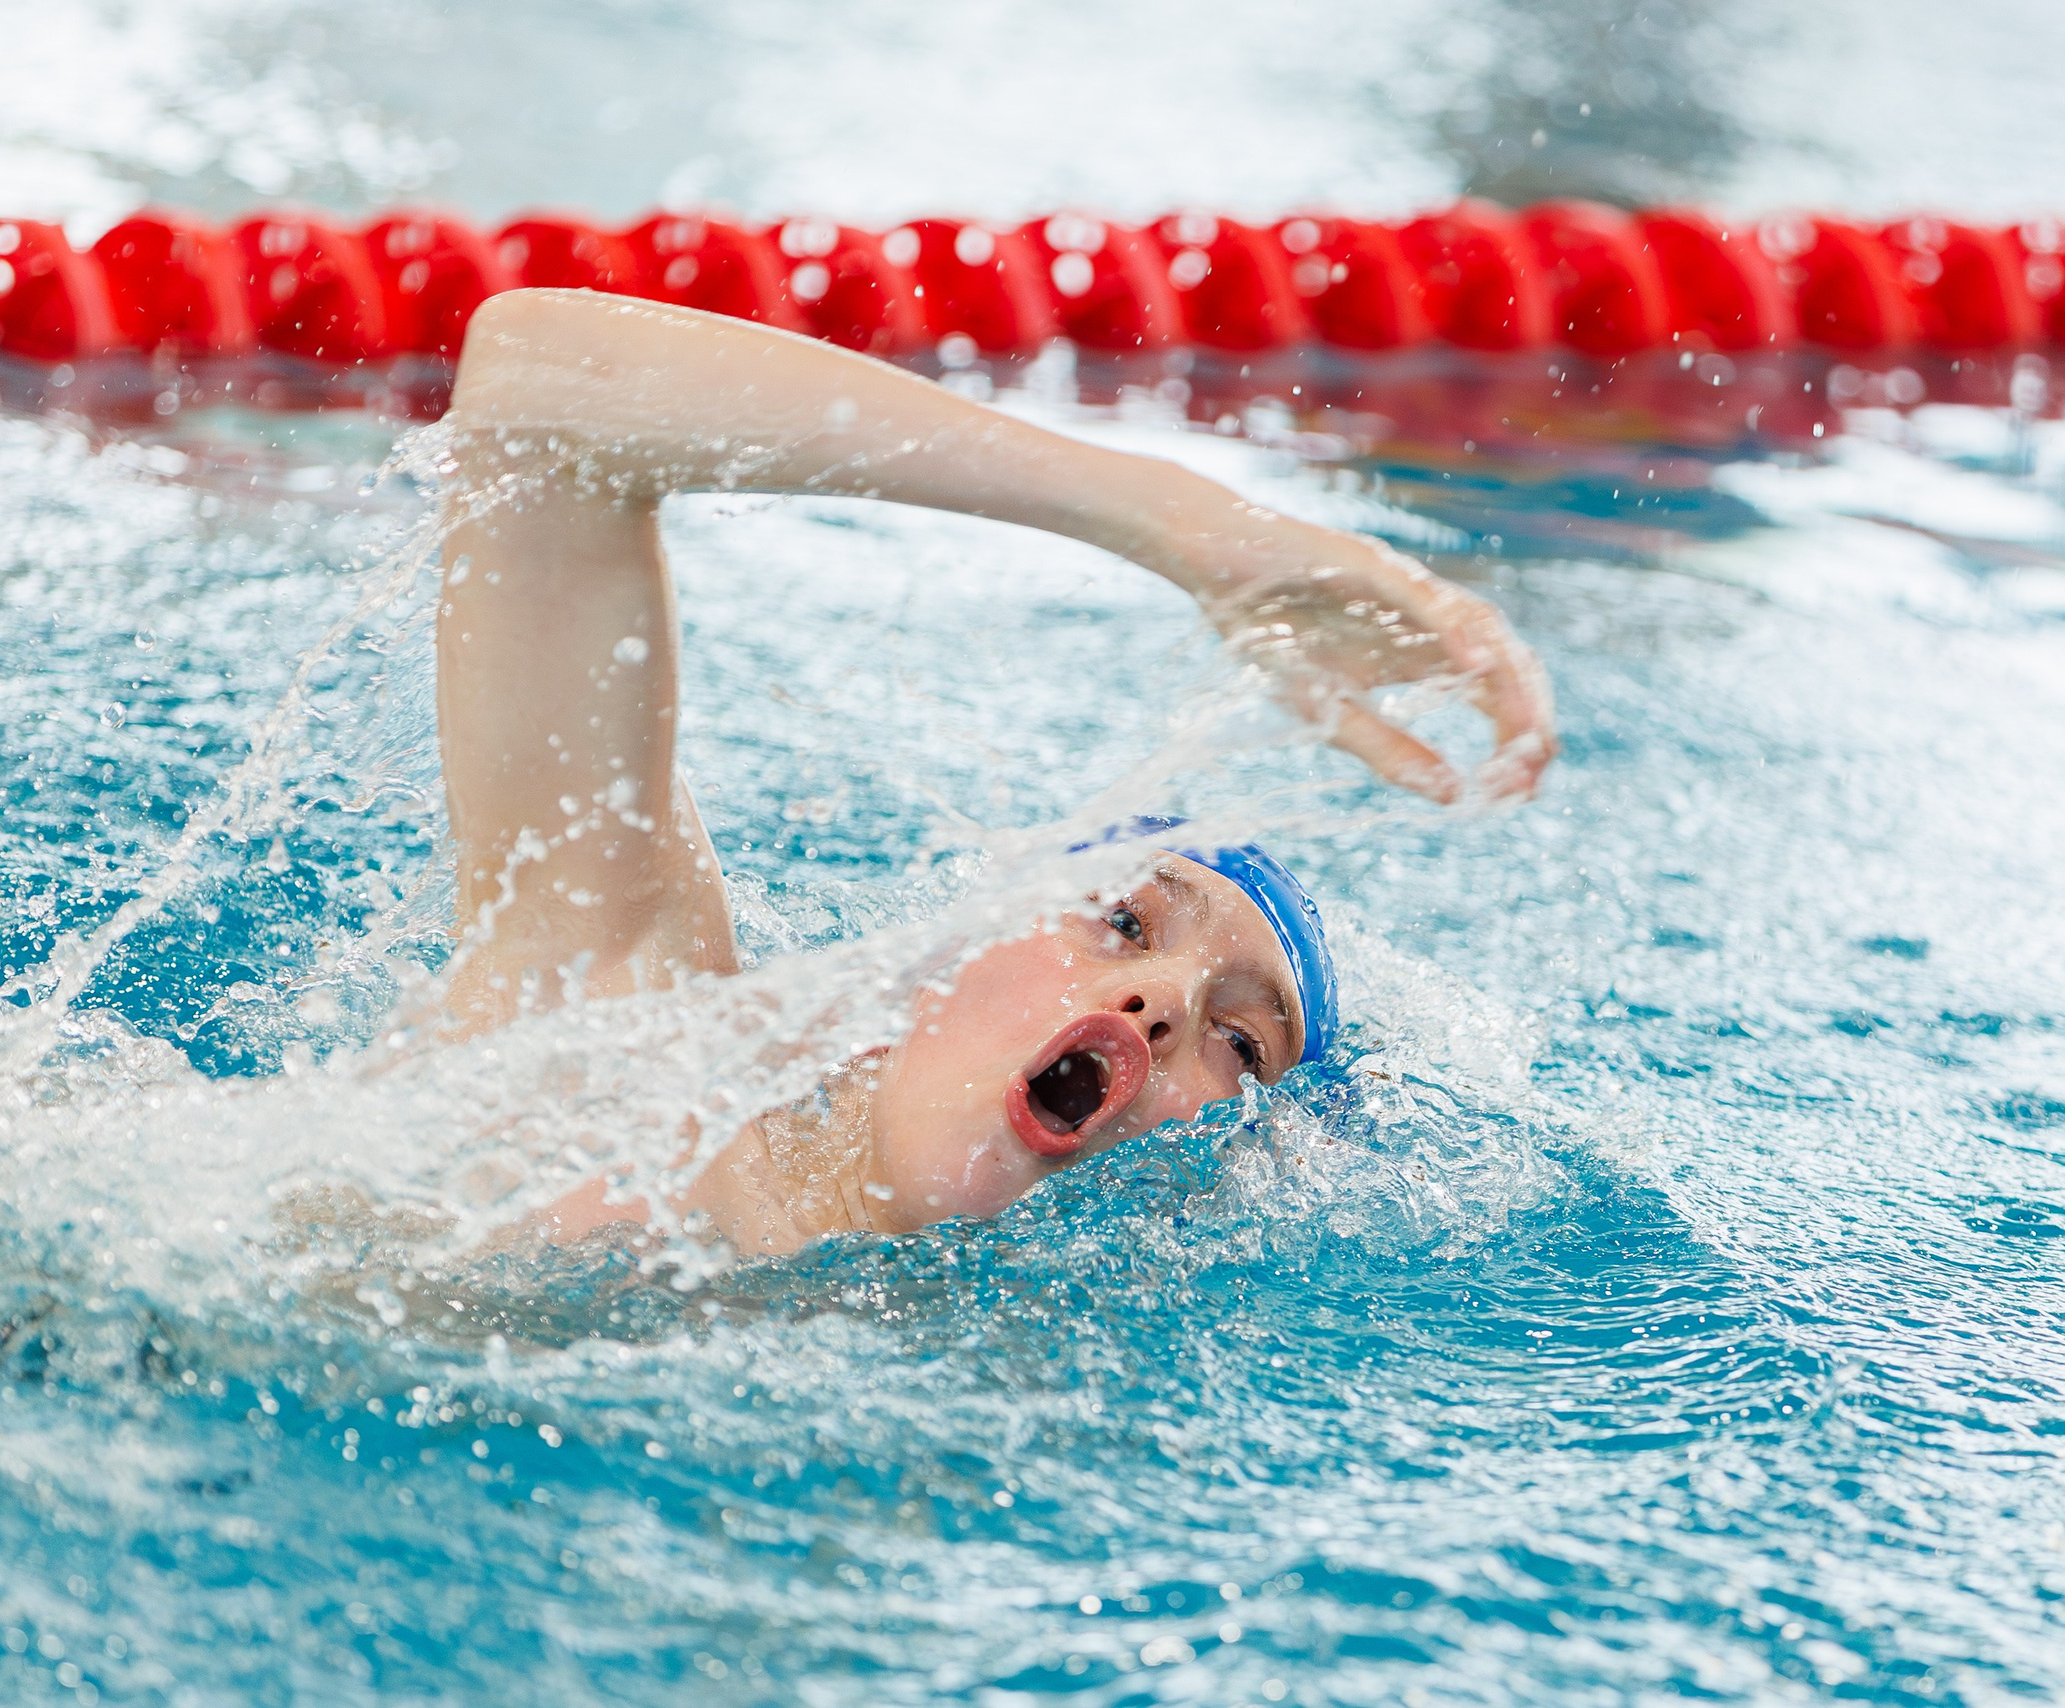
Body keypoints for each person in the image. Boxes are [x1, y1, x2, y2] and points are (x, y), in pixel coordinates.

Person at [432, 288, 1554, 1257]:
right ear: (949, 948)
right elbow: (537, 385)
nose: (1160, 1004)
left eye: (1244, 1045)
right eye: (1121, 922)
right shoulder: (620, 1047)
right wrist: (1173, 518)